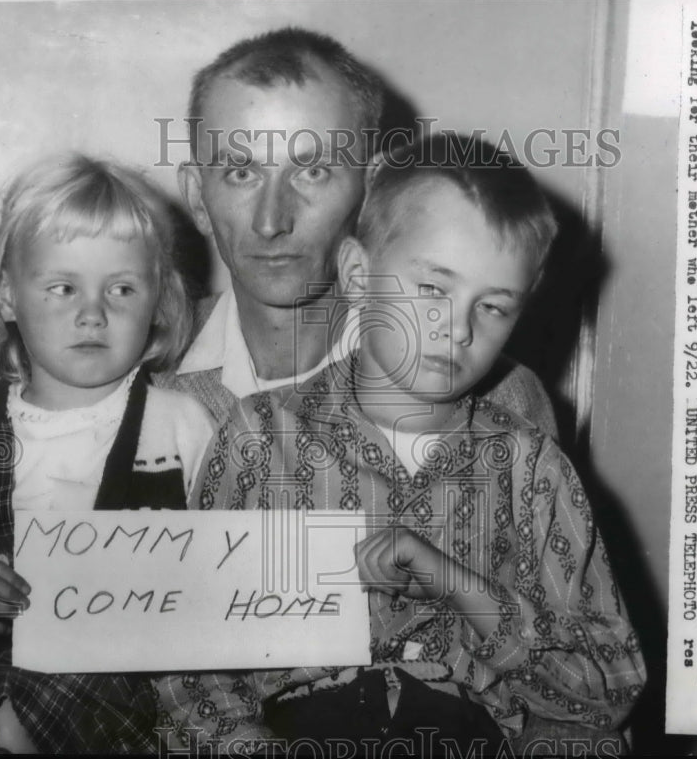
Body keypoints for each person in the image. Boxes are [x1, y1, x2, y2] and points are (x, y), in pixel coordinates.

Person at [0, 27, 560, 750]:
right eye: (241, 171)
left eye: (313, 170)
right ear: (197, 191)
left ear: (371, 186)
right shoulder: (127, 391)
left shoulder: (493, 404)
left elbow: (557, 673)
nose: (273, 220)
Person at [156, 133, 646, 753]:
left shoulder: (532, 470)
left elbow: (608, 689)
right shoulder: (258, 439)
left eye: (493, 307)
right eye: (433, 289)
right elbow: (190, 668)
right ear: (358, 274)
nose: (458, 328)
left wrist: (459, 585)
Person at [0, 154, 217, 753]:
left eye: (121, 288)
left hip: (129, 697)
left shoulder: (181, 428)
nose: (92, 313)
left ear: (159, 303)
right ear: (8, 298)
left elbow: (219, 588)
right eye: (63, 288)